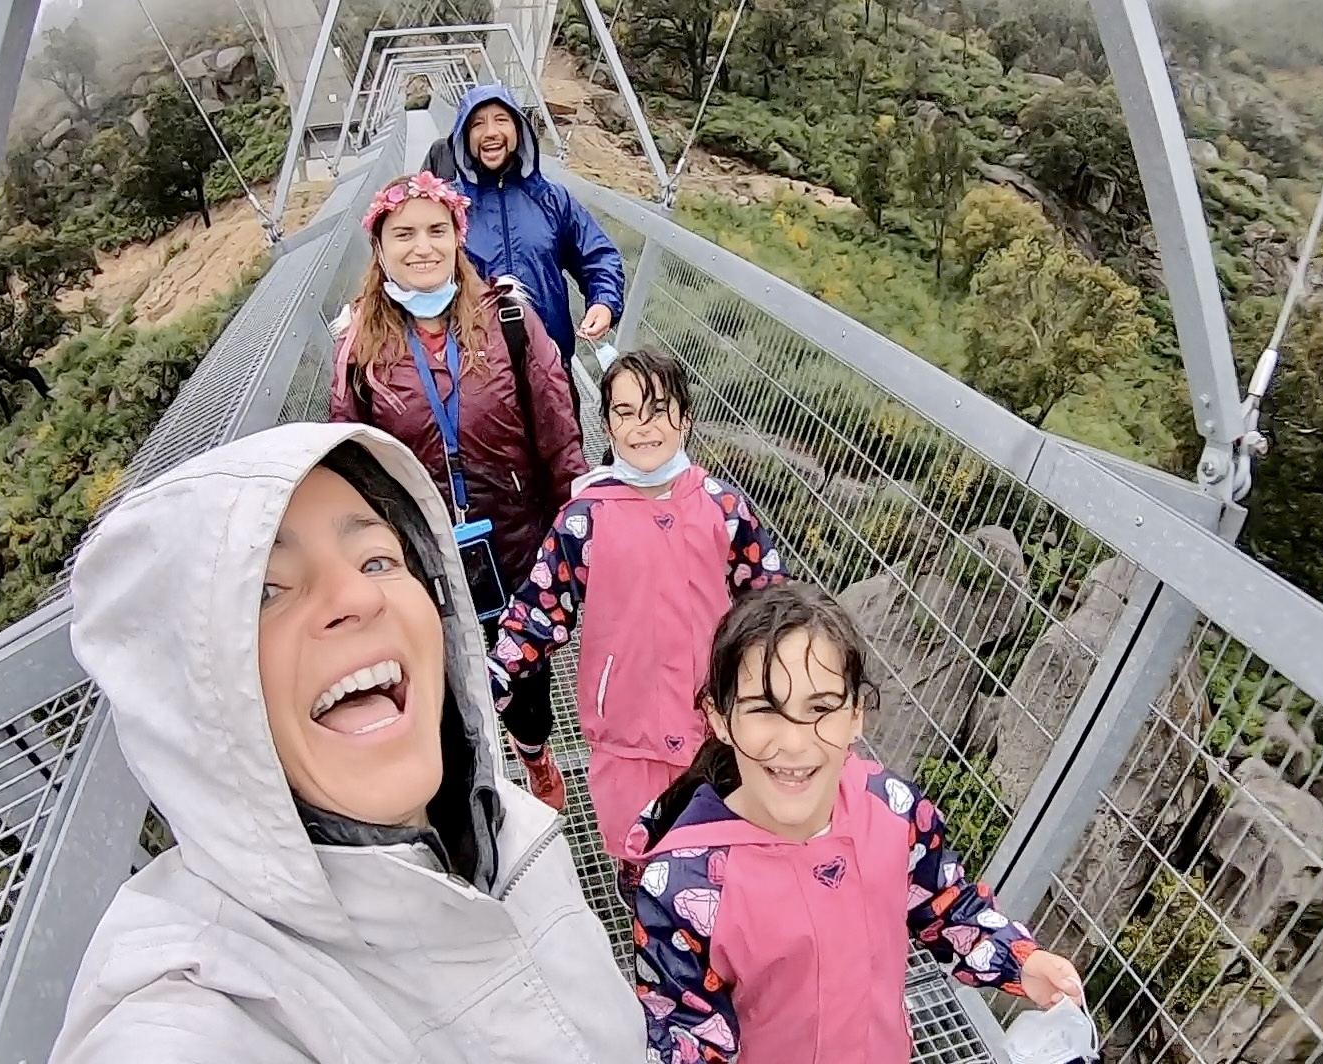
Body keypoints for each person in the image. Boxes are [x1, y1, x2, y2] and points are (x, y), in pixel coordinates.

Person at [50, 422, 645, 1062]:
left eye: (379, 560)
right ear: (187, 701)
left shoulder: (508, 829)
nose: (358, 596)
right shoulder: (199, 1010)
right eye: (267, 591)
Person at [626, 582, 1086, 1063]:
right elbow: (686, 1033)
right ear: (720, 719)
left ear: (856, 714)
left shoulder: (894, 810)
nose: (795, 743)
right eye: (764, 710)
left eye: (821, 708)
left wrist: (1021, 960)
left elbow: (944, 905)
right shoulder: (684, 885)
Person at [329, 170, 584, 808]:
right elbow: (350, 459)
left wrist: (580, 529)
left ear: (457, 237)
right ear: (379, 247)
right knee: (435, 673)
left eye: (436, 231)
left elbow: (558, 428)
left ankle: (533, 751)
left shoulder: (508, 318)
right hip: (424, 551)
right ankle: (462, 792)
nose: (423, 247)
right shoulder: (359, 346)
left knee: (526, 669)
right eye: (404, 234)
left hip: (517, 538)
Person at [490, 347, 785, 898]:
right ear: (607, 425)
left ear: (685, 418)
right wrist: (493, 678)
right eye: (625, 412)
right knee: (642, 867)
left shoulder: (722, 509)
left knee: (720, 867)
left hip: (718, 733)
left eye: (658, 409)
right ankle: (648, 933)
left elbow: (771, 604)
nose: (642, 426)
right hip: (627, 736)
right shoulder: (586, 520)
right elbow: (538, 612)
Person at [429, 84, 625, 376]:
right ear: (463, 138)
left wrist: (604, 302)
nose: (491, 132)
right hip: (477, 372)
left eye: (501, 120)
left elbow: (598, 256)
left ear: (519, 130)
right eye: (477, 124)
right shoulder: (447, 206)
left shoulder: (552, 199)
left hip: (550, 365)